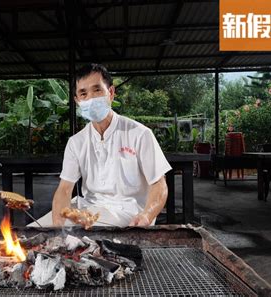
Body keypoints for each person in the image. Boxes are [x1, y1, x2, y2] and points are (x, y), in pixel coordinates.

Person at [30, 63, 171, 228]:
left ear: (110, 93)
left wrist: (147, 215)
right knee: (35, 232)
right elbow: (65, 189)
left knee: (81, 236)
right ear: (77, 101)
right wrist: (56, 228)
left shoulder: (139, 134)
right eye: (83, 93)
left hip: (129, 211)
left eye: (97, 90)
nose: (90, 98)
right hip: (87, 209)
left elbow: (159, 184)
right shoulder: (76, 142)